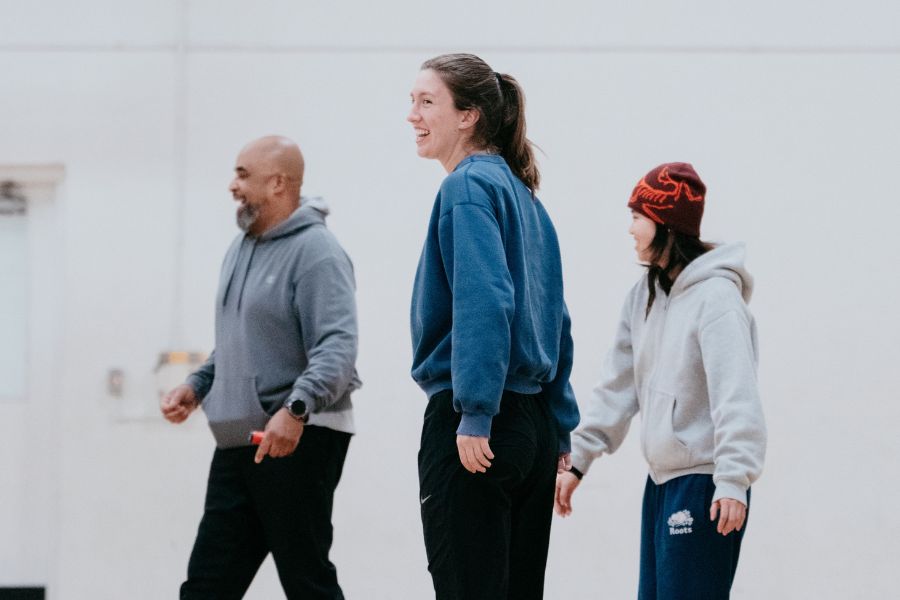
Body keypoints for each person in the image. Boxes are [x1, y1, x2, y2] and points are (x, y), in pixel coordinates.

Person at [407, 53, 580, 600]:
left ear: (469, 116)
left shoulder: (467, 188)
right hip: (531, 427)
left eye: (426, 101)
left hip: (478, 424)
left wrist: (475, 411)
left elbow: (486, 300)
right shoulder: (528, 200)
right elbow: (556, 319)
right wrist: (559, 425)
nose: (412, 115)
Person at [160, 135, 361, 600]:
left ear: (278, 184)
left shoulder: (318, 252)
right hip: (237, 441)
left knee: (306, 580)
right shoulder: (240, 248)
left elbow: (337, 346)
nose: (232, 186)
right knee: (206, 587)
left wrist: (295, 410)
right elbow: (237, 344)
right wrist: (197, 385)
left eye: (242, 175)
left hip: (299, 437)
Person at [555, 162, 767, 599]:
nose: (630, 228)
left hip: (705, 483)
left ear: (665, 221)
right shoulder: (645, 295)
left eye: (637, 216)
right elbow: (617, 384)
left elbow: (737, 395)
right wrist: (579, 459)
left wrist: (733, 479)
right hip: (662, 484)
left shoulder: (716, 300)